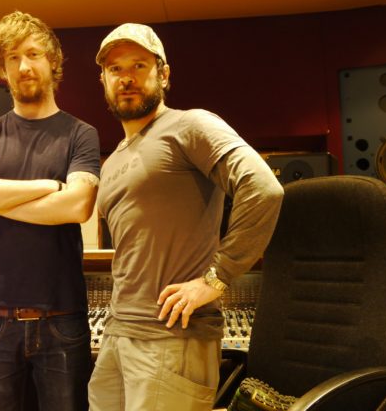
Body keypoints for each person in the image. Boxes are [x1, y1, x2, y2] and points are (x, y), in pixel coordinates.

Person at [87, 23, 285, 410]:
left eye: (139, 65)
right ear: (104, 81)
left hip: (173, 339)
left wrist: (217, 277)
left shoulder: (190, 125)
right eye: (115, 69)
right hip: (118, 335)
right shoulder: (112, 162)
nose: (126, 78)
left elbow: (263, 188)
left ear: (164, 74)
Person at [0, 11, 101, 411]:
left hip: (61, 316)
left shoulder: (80, 134)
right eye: (12, 58)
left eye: (33, 54)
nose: (23, 67)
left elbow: (78, 205)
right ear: (1, 69)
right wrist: (46, 187)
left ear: (52, 60)